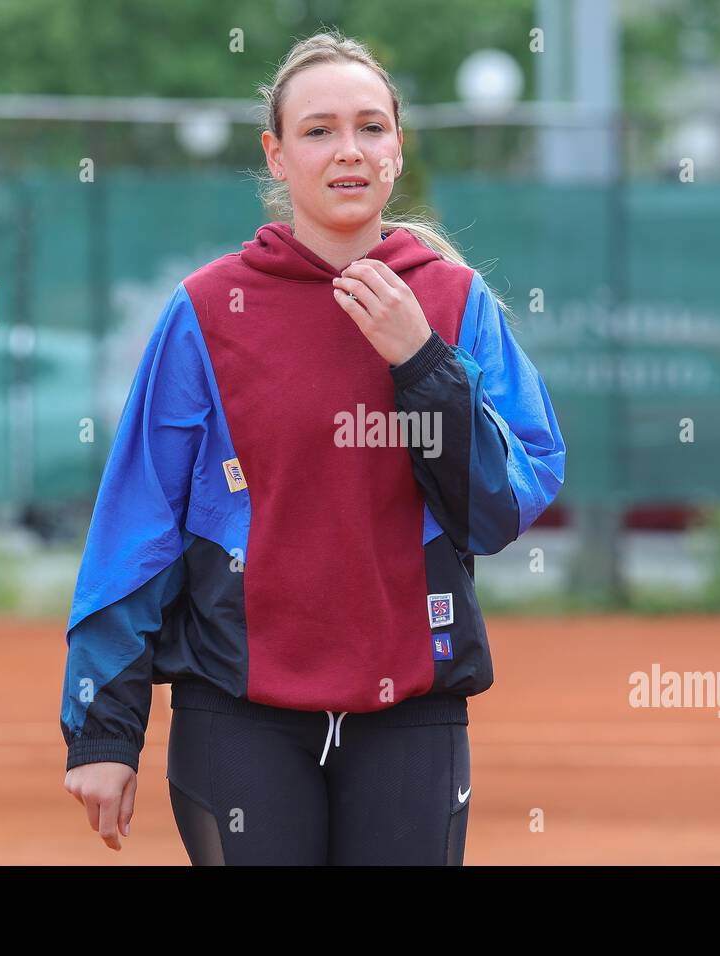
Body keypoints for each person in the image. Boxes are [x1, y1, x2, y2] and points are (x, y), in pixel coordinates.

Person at [60, 28, 566, 865]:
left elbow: (499, 508)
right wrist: (104, 731)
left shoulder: (454, 301)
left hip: (411, 714)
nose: (349, 151)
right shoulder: (207, 310)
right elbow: (137, 523)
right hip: (238, 715)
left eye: (371, 127)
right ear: (278, 154)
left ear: (398, 148)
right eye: (319, 130)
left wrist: (424, 364)